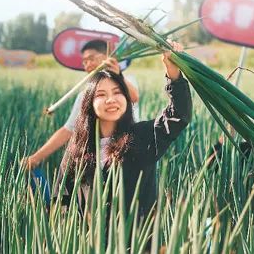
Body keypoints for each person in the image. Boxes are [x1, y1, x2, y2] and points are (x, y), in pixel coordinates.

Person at [55, 41, 191, 221]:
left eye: (117, 92)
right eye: (101, 95)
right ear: (89, 103)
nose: (111, 99)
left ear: (126, 99)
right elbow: (62, 200)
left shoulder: (143, 137)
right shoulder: (77, 150)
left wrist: (173, 71)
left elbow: (178, 115)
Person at [24, 40, 140, 170]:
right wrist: (36, 157)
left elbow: (134, 97)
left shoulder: (126, 80)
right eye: (84, 62)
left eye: (91, 59)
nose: (88, 64)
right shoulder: (85, 95)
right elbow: (68, 129)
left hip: (132, 153)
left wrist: (117, 74)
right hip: (104, 159)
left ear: (106, 56)